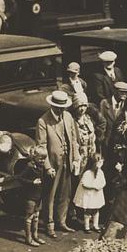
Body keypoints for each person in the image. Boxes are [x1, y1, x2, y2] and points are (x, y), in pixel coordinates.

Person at [36, 90, 81, 237]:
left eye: (63, 107)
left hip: (67, 160)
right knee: (50, 194)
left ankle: (62, 221)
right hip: (54, 164)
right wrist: (47, 167)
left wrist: (75, 158)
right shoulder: (43, 121)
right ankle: (49, 224)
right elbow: (41, 147)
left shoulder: (67, 116)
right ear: (53, 106)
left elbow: (74, 139)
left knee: (65, 193)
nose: (62, 110)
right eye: (59, 107)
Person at [71, 92, 98, 160]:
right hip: (78, 157)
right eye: (80, 106)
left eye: (84, 105)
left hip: (90, 156)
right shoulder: (71, 121)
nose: (82, 109)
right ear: (75, 106)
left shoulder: (88, 119)